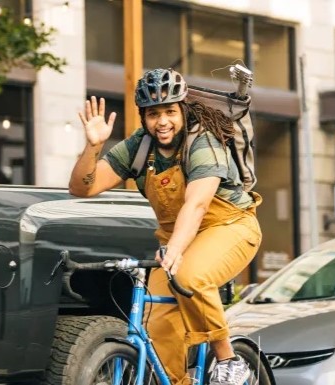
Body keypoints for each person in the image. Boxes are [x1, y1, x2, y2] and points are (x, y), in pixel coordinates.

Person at [69, 68, 262, 385]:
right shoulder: (139, 147)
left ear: (183, 109)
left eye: (170, 111)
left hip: (230, 228)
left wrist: (174, 250)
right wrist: (93, 146)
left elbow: (197, 204)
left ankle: (229, 361)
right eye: (153, 113)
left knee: (189, 275)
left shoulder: (203, 142)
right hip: (177, 242)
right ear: (143, 116)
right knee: (155, 328)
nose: (162, 122)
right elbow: (82, 188)